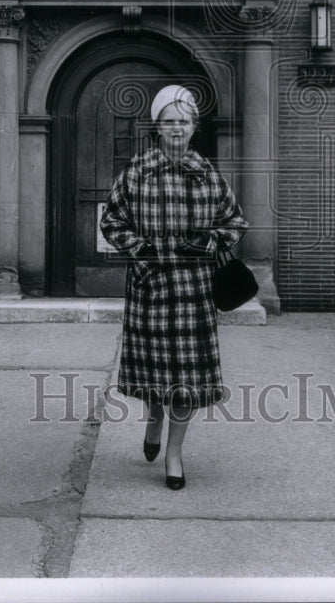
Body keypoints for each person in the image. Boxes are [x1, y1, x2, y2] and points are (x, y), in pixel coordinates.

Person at [100, 84, 248, 490]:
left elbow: (235, 222)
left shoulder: (208, 175)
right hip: (150, 289)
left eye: (184, 121)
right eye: (169, 121)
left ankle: (174, 454)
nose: (177, 128)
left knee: (186, 383)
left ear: (194, 126)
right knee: (153, 377)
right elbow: (112, 222)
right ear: (157, 127)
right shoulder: (136, 172)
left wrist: (209, 241)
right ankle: (153, 420)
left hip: (194, 293)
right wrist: (143, 253)